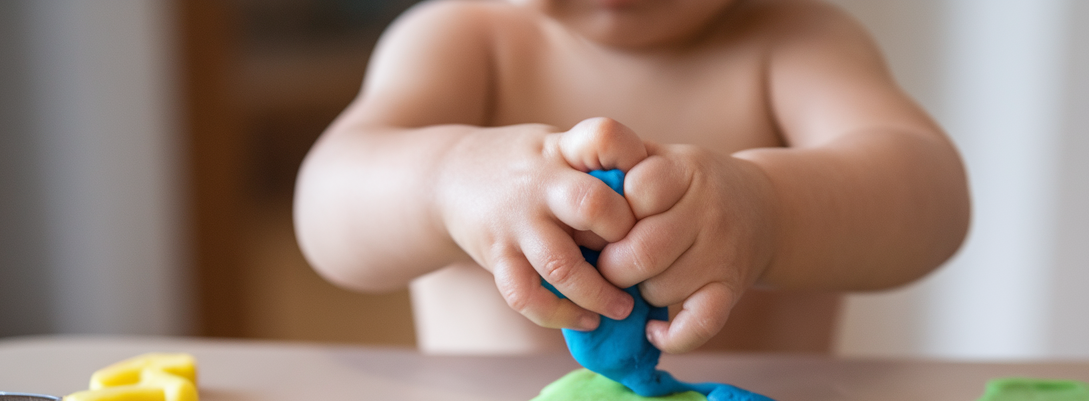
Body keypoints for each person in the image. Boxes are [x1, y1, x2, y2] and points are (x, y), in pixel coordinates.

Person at [294, 0, 969, 354]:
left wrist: (773, 211)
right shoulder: (463, 42)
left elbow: (931, 193)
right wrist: (448, 179)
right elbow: (325, 206)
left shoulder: (797, 40)